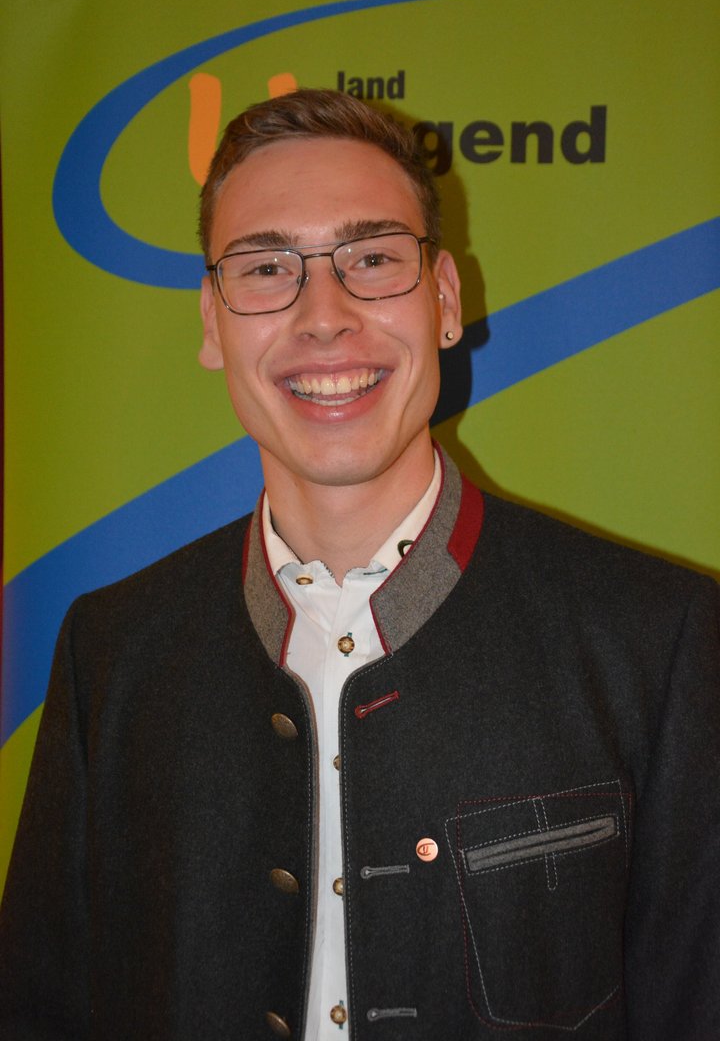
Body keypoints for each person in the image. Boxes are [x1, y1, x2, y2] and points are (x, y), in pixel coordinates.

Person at [1, 89, 718, 1041]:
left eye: (372, 260)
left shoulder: (660, 640)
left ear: (446, 300)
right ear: (212, 323)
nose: (324, 317)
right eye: (267, 269)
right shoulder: (111, 652)